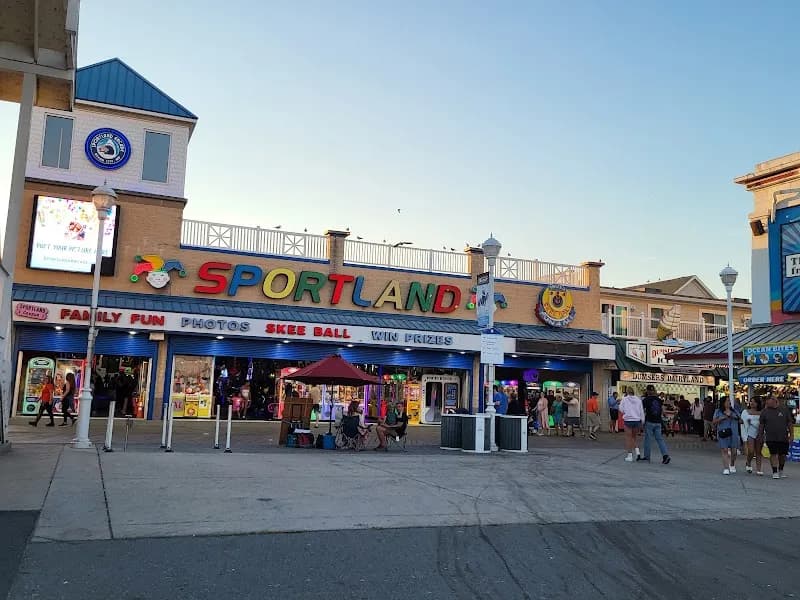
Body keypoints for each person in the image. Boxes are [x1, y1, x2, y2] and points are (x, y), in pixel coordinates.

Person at [759, 395, 792, 480]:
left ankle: (781, 469)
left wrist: (791, 435)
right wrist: (761, 436)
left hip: (783, 437)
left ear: (774, 400)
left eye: (768, 401)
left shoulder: (784, 410)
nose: (766, 403)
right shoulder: (764, 411)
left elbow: (789, 423)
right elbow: (761, 425)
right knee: (773, 453)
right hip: (771, 437)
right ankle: (774, 471)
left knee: (782, 455)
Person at [639, 385, 671, 464]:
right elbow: (663, 411)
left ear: (647, 391)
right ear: (654, 391)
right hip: (658, 422)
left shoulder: (646, 400)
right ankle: (665, 455)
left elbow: (640, 409)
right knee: (660, 439)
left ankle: (647, 457)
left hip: (649, 421)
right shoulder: (659, 400)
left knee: (648, 440)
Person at [713, 396, 741, 475]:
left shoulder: (734, 411)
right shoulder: (718, 411)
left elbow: (741, 421)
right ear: (723, 402)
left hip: (734, 433)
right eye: (727, 401)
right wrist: (723, 417)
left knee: (734, 451)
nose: (729, 402)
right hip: (723, 432)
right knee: (724, 450)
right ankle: (726, 468)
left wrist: (732, 415)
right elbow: (714, 421)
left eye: (729, 401)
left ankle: (732, 464)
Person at [619, 387, 643, 462]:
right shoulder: (638, 400)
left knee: (628, 438)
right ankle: (638, 452)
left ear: (627, 392)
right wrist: (642, 421)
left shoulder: (624, 399)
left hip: (628, 420)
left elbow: (621, 409)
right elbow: (641, 411)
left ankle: (630, 455)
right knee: (634, 437)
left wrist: (626, 412)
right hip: (636, 420)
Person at [741, 398, 763, 475]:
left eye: (754, 402)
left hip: (759, 433)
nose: (752, 403)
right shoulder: (745, 412)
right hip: (749, 433)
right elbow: (742, 423)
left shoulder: (762, 412)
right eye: (751, 401)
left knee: (758, 452)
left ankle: (759, 469)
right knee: (751, 451)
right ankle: (748, 462)